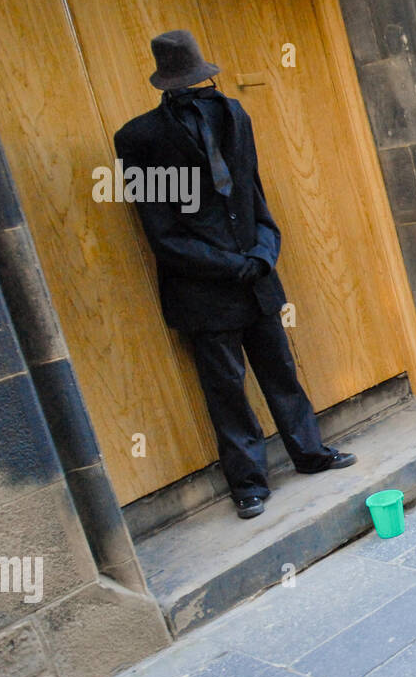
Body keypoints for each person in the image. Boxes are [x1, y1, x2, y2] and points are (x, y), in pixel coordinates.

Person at [114, 30, 357, 519]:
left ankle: (309, 453)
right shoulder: (137, 139)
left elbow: (253, 193)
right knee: (225, 388)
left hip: (256, 275)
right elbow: (161, 232)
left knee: (281, 371)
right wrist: (232, 266)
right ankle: (248, 483)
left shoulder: (235, 114)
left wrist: (266, 251)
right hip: (203, 289)